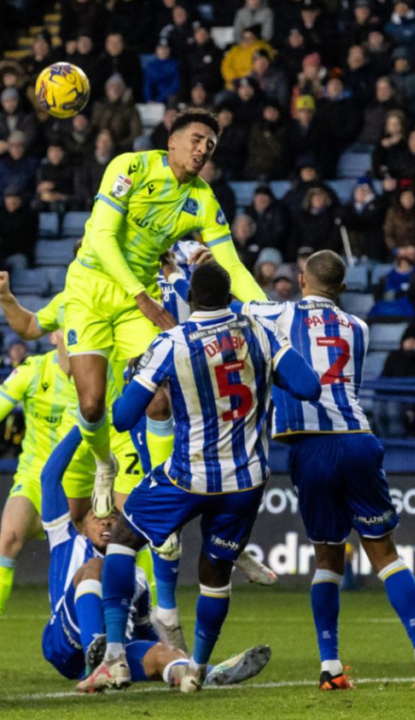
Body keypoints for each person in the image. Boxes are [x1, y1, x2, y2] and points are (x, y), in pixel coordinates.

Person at [81, 263, 320, 694]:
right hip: (245, 481)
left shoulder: (172, 342)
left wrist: (138, 376)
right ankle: (196, 668)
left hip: (187, 477)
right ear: (229, 298)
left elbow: (122, 418)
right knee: (215, 573)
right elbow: (308, 387)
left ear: (190, 300)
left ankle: (115, 657)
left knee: (122, 540)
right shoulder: (260, 331)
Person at [240, 250, 415, 688]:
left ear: (301, 281)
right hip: (356, 439)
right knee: (385, 553)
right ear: (343, 289)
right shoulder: (359, 328)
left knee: (327, 559)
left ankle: (330, 666)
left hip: (310, 446)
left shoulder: (280, 314)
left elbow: (237, 300)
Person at [60, 109, 267, 519]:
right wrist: (142, 297)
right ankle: (104, 463)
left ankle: (160, 496)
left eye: (210, 145)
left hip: (138, 299)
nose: (202, 149)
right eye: (196, 140)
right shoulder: (131, 167)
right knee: (92, 405)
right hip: (90, 288)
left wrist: (269, 313)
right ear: (171, 141)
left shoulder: (203, 200)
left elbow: (233, 266)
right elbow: (102, 239)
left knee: (158, 400)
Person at [38, 427, 272, 690]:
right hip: (64, 641)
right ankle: (96, 651)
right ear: (82, 526)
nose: (106, 522)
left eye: (113, 519)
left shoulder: (135, 577)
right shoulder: (66, 540)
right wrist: (86, 426)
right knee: (96, 567)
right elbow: (49, 477)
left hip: (119, 650)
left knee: (163, 654)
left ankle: (201, 674)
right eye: (97, 518)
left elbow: (144, 630)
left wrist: (168, 652)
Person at [0, 328, 102, 674]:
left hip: (81, 489)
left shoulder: (100, 374)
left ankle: (119, 635)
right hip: (35, 479)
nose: (77, 338)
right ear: (54, 336)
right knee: (9, 537)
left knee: (97, 563)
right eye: (69, 331)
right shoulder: (33, 371)